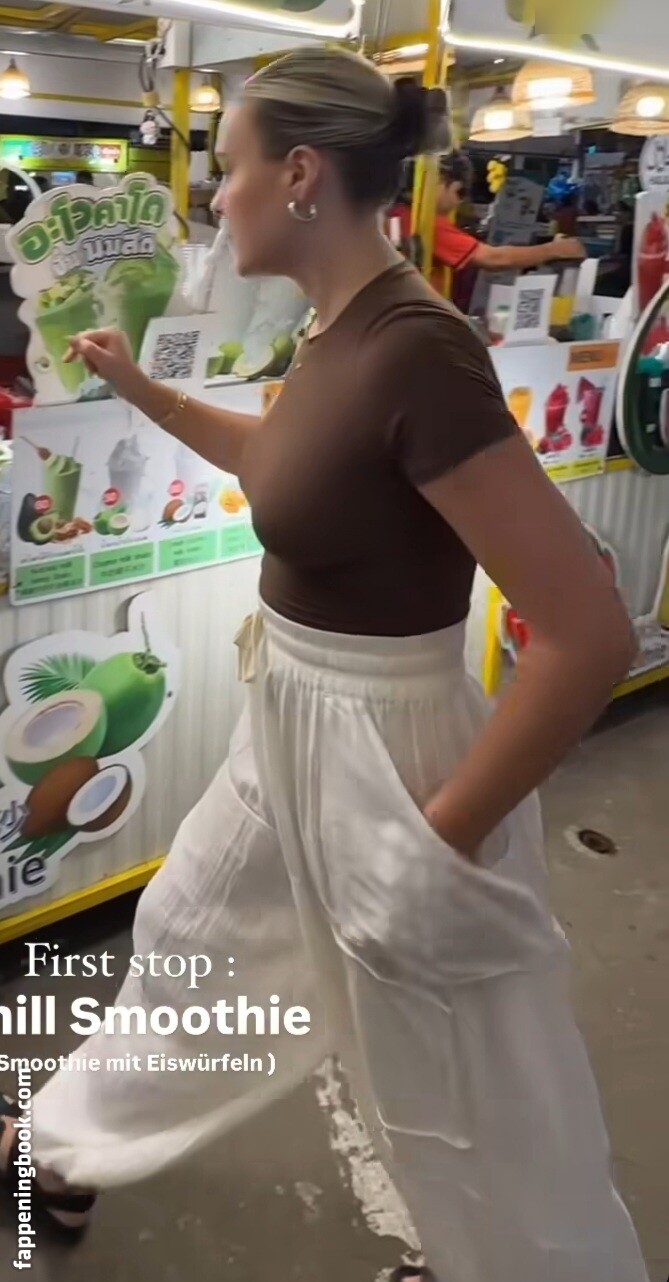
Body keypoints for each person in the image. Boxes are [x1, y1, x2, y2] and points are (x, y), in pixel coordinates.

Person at [0, 49, 648, 1282]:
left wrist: (439, 838)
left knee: (456, 1055)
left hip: (384, 752)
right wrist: (138, 387)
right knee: (188, 938)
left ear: (299, 174)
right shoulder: (338, 329)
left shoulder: (420, 351)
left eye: (228, 167)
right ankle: (60, 1149)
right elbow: (286, 469)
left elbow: (588, 633)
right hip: (290, 713)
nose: (216, 195)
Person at [391, 150, 585, 298]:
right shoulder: (423, 220)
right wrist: (555, 250)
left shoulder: (397, 213)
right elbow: (493, 258)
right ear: (439, 180)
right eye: (459, 192)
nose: (459, 202)